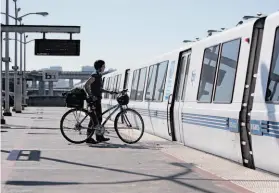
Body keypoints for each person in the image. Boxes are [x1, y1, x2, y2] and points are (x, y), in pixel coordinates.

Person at [84, 60, 115, 144]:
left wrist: (109, 92)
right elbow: (86, 85)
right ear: (100, 67)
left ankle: (99, 137)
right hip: (94, 101)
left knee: (99, 119)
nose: (104, 68)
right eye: (103, 66)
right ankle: (88, 138)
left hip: (98, 100)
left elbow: (99, 89)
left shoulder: (99, 76)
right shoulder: (94, 75)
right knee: (93, 120)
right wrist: (91, 95)